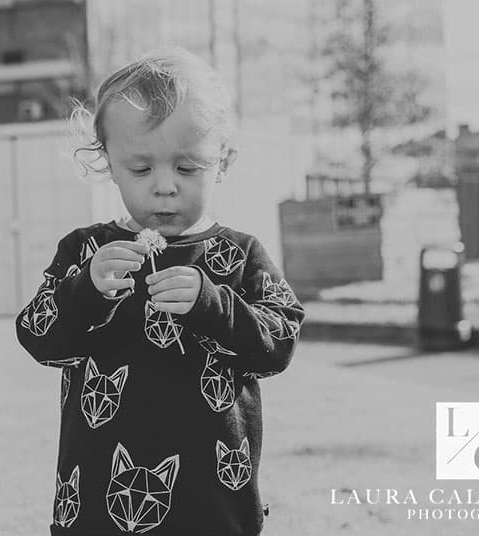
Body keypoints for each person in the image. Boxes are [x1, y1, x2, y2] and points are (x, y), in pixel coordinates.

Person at [15, 47, 304, 535]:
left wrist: (213, 304)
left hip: (212, 504)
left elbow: (279, 343)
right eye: (141, 169)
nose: (165, 187)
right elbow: (38, 337)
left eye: (188, 168)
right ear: (107, 162)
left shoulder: (239, 254)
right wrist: (85, 290)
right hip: (99, 503)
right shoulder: (86, 250)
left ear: (223, 160)